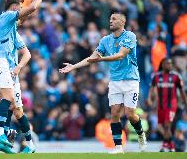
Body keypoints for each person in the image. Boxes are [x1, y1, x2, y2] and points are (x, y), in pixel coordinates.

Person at [59, 13, 147, 154]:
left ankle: (141, 135)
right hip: (115, 81)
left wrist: (101, 60)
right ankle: (118, 147)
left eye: (114, 19)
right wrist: (73, 66)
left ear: (122, 22)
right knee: (114, 114)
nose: (110, 21)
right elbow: (92, 58)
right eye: (110, 19)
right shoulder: (105, 40)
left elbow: (121, 55)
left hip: (131, 80)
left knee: (130, 114)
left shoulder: (130, 36)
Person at [0, 0, 46, 149]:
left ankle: (29, 144)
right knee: (5, 99)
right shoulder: (5, 17)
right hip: (0, 64)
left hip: (12, 71)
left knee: (17, 109)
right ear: (13, 9)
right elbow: (31, 9)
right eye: (19, 8)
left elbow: (27, 53)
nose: (21, 10)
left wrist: (19, 67)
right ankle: (1, 133)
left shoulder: (13, 31)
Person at [147, 58, 187, 152]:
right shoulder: (156, 76)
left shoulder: (176, 76)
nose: (169, 65)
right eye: (167, 63)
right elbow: (151, 88)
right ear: (163, 65)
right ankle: (168, 145)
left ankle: (169, 145)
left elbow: (182, 92)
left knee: (167, 126)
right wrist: (150, 99)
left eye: (171, 64)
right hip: (160, 105)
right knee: (162, 126)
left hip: (172, 106)